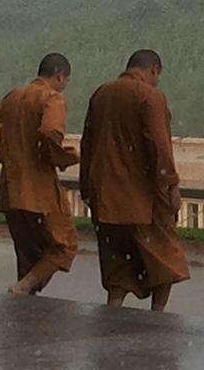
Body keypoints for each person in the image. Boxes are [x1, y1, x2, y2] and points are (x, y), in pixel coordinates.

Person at [77, 48, 188, 311]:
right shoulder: (150, 96)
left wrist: (87, 189)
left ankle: (113, 308)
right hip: (142, 198)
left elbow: (87, 144)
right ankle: (157, 314)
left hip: (106, 196)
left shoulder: (102, 94)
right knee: (165, 259)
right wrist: (171, 185)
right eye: (157, 76)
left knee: (117, 261)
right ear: (153, 70)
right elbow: (160, 146)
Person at [0, 52, 75, 295]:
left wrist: (10, 154)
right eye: (66, 81)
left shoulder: (13, 97)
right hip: (40, 189)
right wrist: (63, 157)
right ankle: (23, 287)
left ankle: (26, 306)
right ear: (60, 75)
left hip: (11, 187)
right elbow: (50, 132)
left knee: (26, 251)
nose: (65, 85)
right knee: (64, 244)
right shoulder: (52, 99)